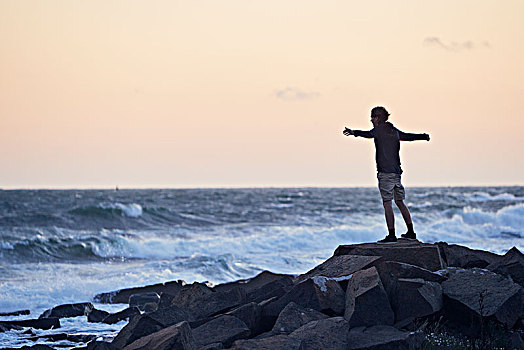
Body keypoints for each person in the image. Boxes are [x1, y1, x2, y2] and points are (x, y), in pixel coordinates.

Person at [343, 106, 430, 243]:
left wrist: (354, 132)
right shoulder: (393, 131)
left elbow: (367, 134)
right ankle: (411, 232)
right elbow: (408, 137)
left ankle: (391, 235)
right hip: (397, 173)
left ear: (377, 118)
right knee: (400, 202)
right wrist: (423, 136)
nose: (371, 120)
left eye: (372, 117)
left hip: (385, 173)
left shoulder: (379, 130)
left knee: (387, 203)